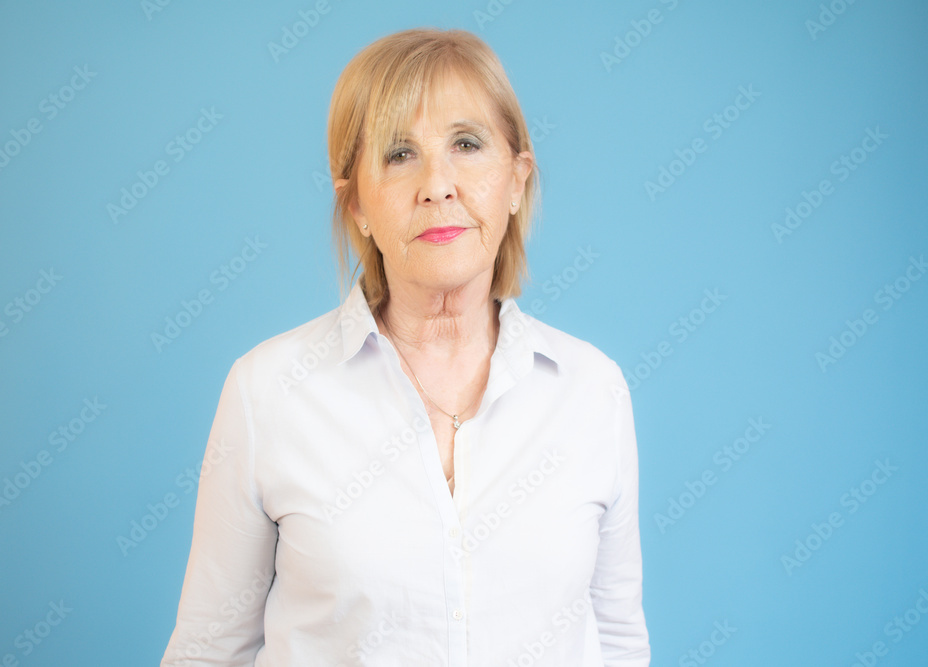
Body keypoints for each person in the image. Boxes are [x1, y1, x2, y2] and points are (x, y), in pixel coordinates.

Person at [161, 27, 650, 666]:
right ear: (357, 204)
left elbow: (619, 644)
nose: (437, 185)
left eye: (467, 144)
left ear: (516, 180)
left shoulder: (591, 390)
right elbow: (207, 652)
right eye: (398, 154)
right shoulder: (268, 391)